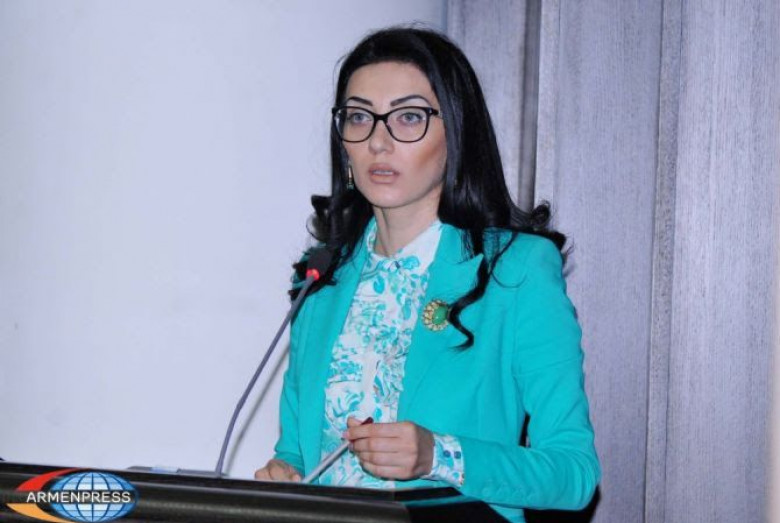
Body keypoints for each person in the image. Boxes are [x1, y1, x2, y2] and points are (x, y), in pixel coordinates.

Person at [254, 27, 600, 522]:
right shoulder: (321, 278)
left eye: (409, 117)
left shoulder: (516, 270)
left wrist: (439, 455)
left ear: (455, 135)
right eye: (359, 117)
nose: (378, 142)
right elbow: (296, 452)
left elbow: (573, 475)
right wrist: (283, 475)